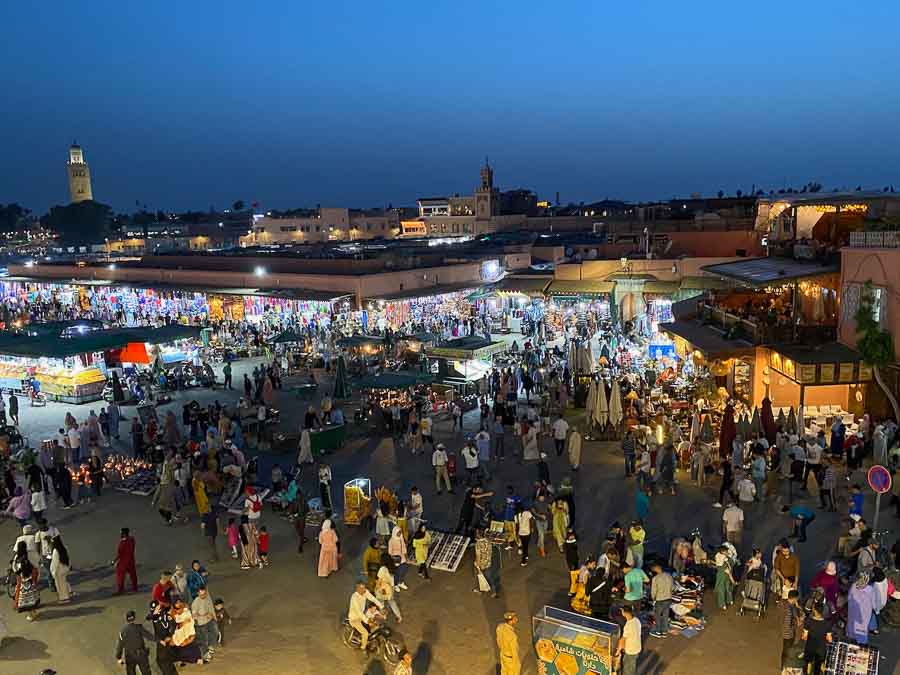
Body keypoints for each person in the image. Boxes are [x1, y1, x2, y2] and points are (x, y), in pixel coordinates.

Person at [116, 609, 154, 675]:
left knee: (131, 672)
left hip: (130, 656)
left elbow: (120, 646)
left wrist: (119, 657)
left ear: (126, 619)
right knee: (146, 672)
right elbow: (149, 636)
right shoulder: (139, 627)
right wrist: (160, 640)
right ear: (134, 618)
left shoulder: (123, 631)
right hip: (141, 654)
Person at [348, 581, 383, 651]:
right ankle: (363, 648)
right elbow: (359, 612)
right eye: (362, 588)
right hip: (355, 619)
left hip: (363, 616)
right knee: (365, 634)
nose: (364, 590)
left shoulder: (365, 592)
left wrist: (381, 606)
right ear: (357, 589)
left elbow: (373, 598)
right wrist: (368, 621)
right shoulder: (354, 598)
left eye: (364, 588)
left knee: (376, 625)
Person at [802, 600, 833, 674]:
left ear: (814, 610)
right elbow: (830, 639)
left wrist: (804, 636)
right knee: (817, 668)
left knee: (806, 664)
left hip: (810, 647)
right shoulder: (827, 623)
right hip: (821, 649)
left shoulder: (808, 621)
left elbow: (804, 637)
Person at [191, 586, 219, 662]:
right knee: (203, 640)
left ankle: (210, 645)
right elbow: (194, 615)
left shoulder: (208, 599)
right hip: (201, 623)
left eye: (204, 594)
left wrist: (214, 617)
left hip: (209, 620)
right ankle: (205, 654)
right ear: (198, 594)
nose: (203, 596)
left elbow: (211, 609)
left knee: (215, 632)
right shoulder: (195, 602)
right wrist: (204, 616)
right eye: (201, 594)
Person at [847, 572, 876, 645]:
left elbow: (849, 597)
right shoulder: (870, 589)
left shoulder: (853, 586)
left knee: (852, 625)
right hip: (864, 613)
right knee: (862, 628)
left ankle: (853, 639)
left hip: (853, 612)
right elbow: (873, 602)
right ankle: (862, 643)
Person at [13, 548, 40, 621]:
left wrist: (16, 600)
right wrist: (34, 582)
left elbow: (18, 584)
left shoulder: (20, 571)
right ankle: (34, 612)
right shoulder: (30, 566)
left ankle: (31, 616)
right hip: (31, 587)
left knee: (27, 603)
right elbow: (35, 573)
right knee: (32, 601)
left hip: (23, 589)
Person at [616, 605, 642, 675]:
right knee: (630, 665)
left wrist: (617, 651)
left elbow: (622, 640)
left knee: (628, 670)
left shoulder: (628, 625)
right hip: (637, 648)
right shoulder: (636, 620)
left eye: (622, 611)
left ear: (624, 612)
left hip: (631, 650)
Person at [650, 562, 672, 638]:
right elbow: (673, 588)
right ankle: (665, 631)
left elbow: (653, 591)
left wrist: (653, 598)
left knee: (658, 616)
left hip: (660, 599)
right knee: (666, 615)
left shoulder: (655, 578)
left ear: (655, 569)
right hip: (668, 598)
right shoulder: (669, 576)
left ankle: (658, 631)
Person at [781, 589, 802, 667]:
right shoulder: (789, 610)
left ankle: (783, 664)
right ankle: (784, 666)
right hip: (788, 634)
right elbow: (787, 625)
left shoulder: (785, 604)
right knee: (787, 651)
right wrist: (796, 624)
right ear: (794, 598)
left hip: (785, 632)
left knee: (785, 650)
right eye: (797, 599)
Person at [114, 527, 138, 595]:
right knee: (133, 574)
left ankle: (120, 589)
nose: (120, 534)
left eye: (121, 533)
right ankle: (135, 588)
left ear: (124, 534)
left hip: (123, 562)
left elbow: (120, 553)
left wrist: (114, 561)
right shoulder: (132, 540)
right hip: (131, 560)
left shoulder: (123, 543)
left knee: (120, 575)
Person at [50, 536, 72, 603]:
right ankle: (67, 595)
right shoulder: (64, 548)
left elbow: (55, 563)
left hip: (58, 570)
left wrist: (53, 572)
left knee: (60, 585)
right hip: (65, 569)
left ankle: (64, 598)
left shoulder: (55, 551)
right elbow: (68, 558)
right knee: (64, 582)